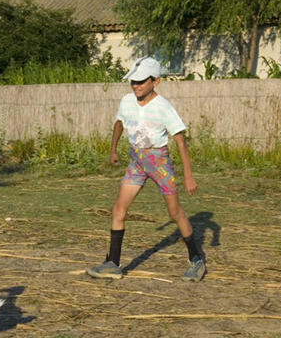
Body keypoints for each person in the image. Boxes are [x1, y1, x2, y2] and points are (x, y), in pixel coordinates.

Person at [86, 56, 206, 281]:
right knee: (118, 209)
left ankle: (196, 259)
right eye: (133, 81)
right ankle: (113, 263)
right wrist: (113, 149)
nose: (136, 86)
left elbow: (181, 142)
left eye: (141, 81)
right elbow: (119, 123)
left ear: (155, 81)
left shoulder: (163, 107)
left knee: (174, 213)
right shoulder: (127, 101)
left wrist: (188, 176)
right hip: (137, 162)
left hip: (159, 164)